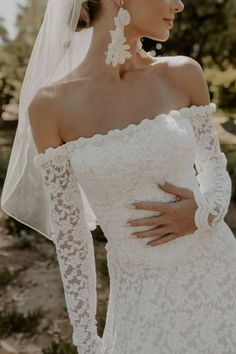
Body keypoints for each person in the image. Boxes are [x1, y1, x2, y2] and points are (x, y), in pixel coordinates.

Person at [1, 0, 236, 353]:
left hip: (215, 272)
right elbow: (71, 238)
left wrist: (206, 213)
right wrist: (85, 339)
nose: (179, 4)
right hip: (138, 294)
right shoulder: (49, 107)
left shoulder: (183, 73)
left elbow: (214, 166)